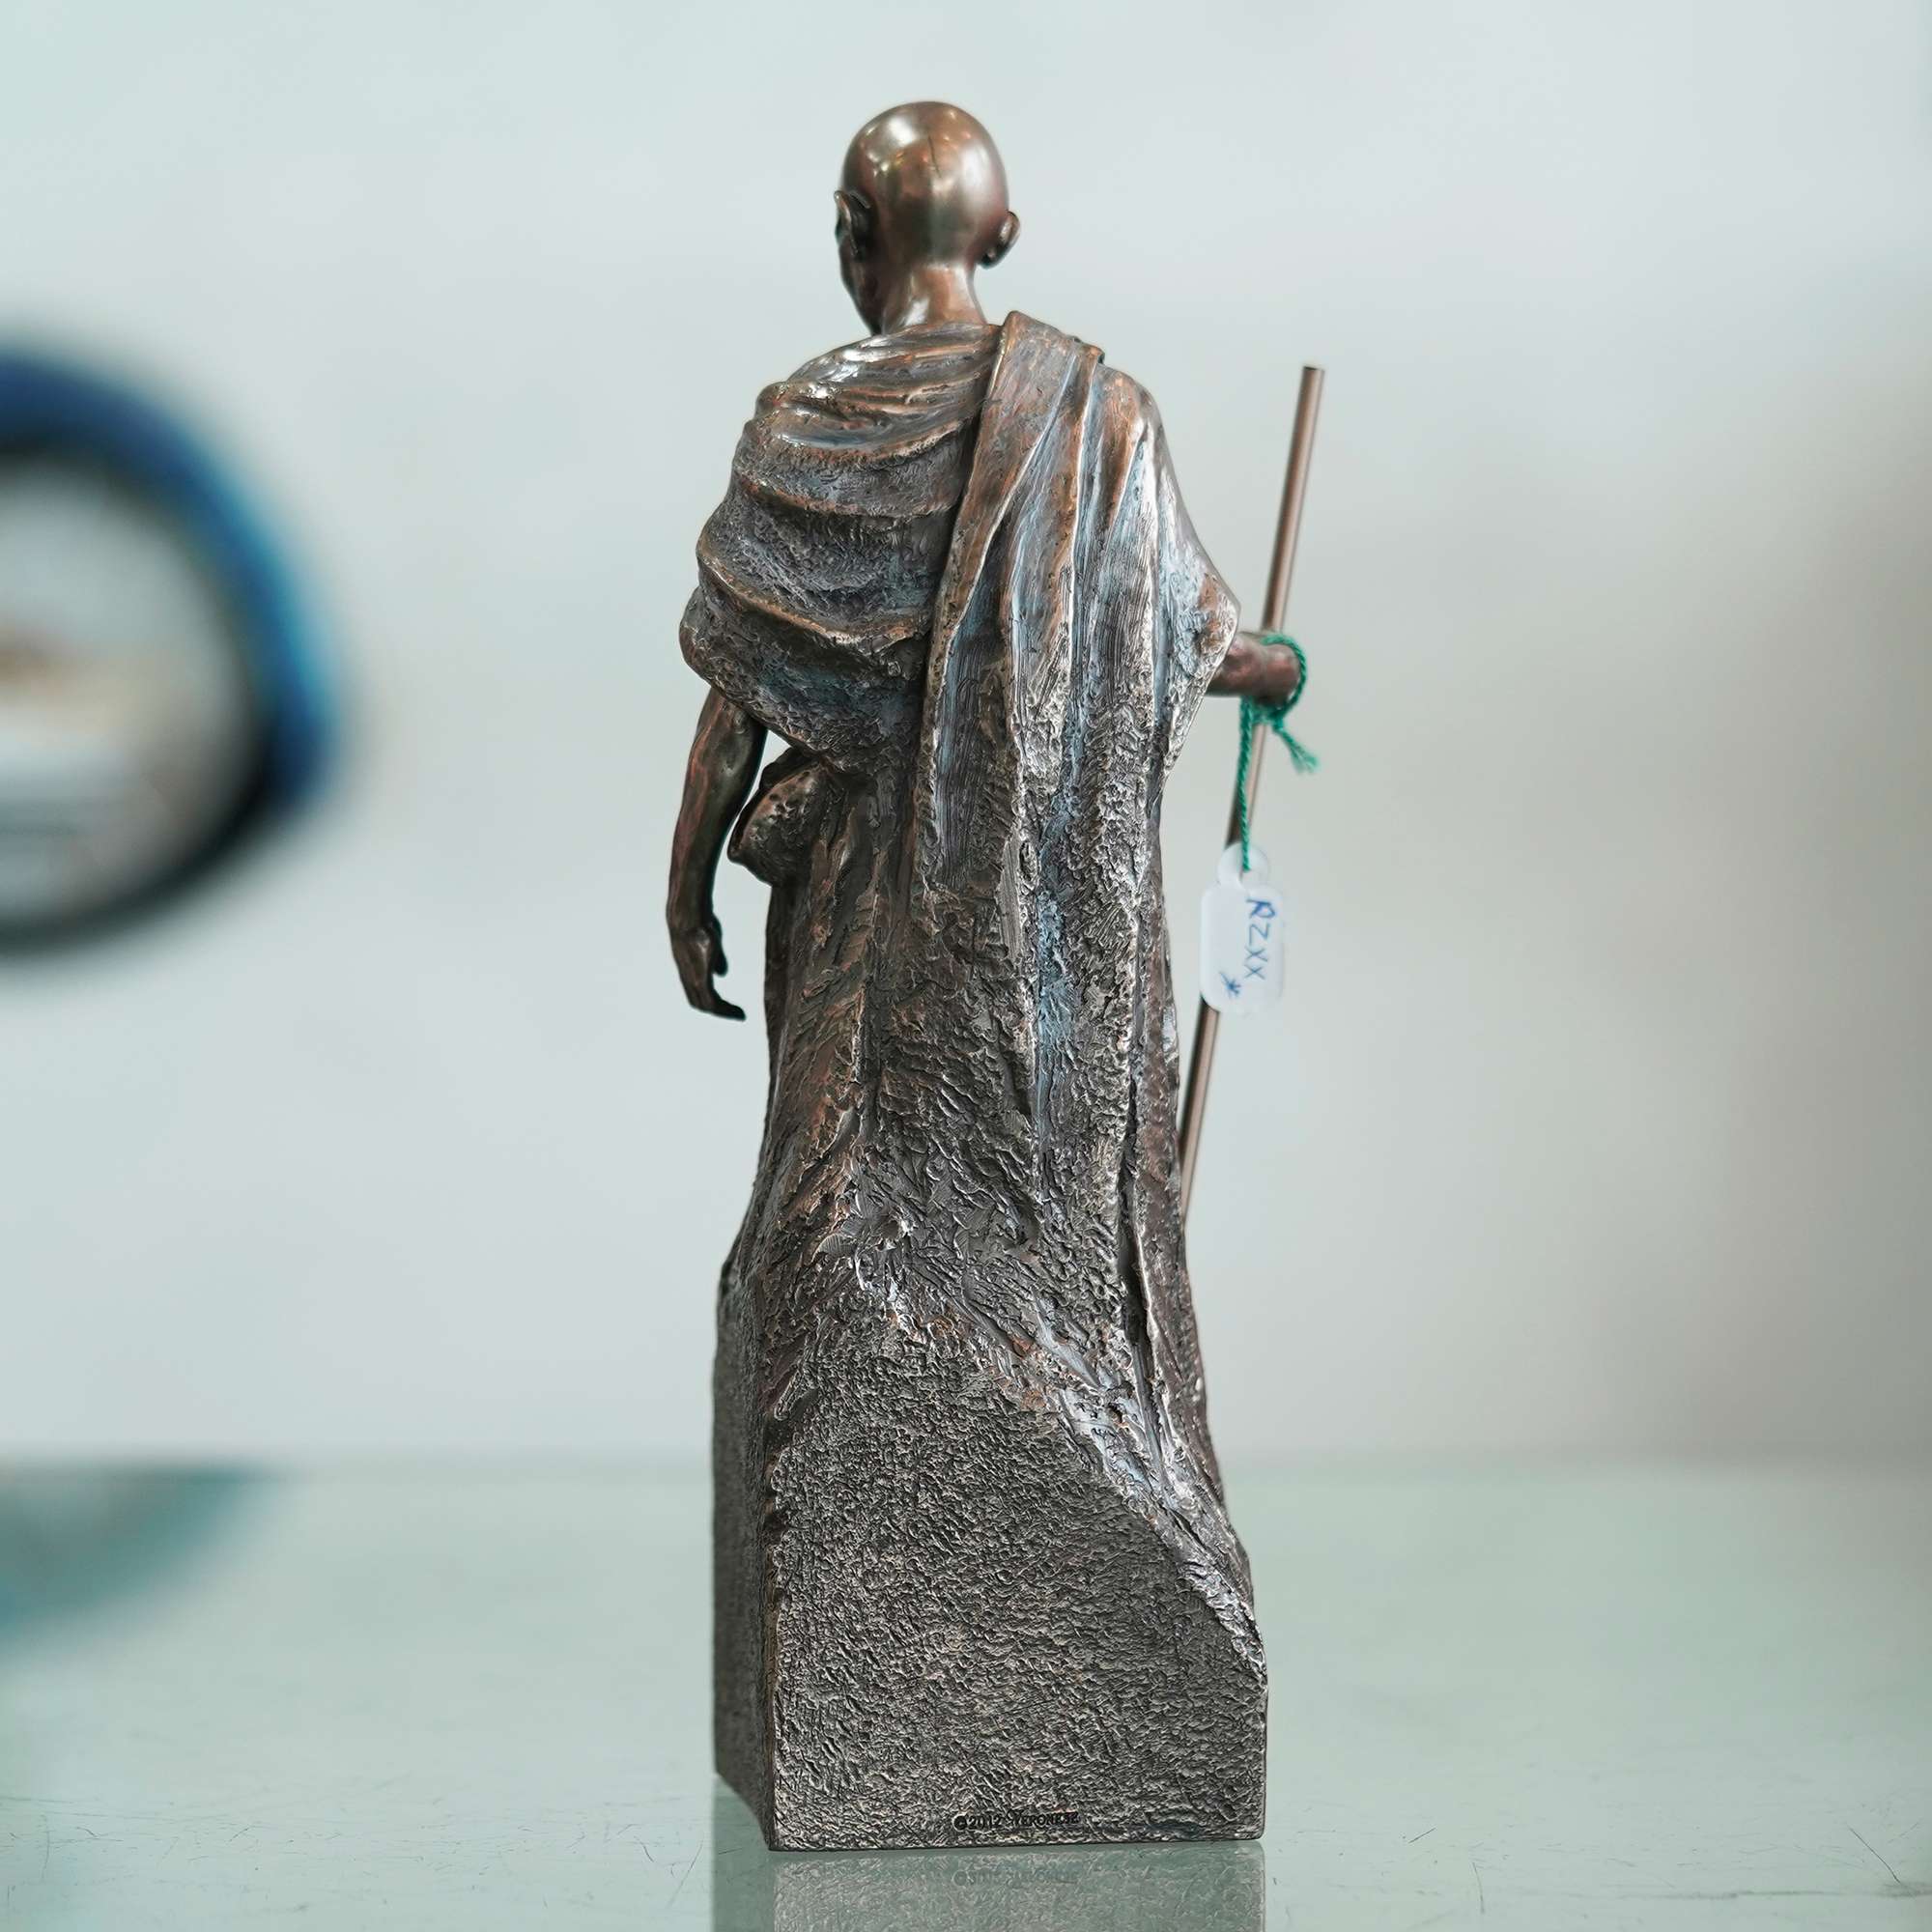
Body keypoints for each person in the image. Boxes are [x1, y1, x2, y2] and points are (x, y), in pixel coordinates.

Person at [668, 102, 1278, 1850]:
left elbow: (737, 704)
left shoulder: (807, 417)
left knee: (832, 1221)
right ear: (1001, 237)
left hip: (863, 916)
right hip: (1033, 953)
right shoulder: (1102, 417)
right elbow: (1200, 632)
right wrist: (1281, 667)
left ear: (850, 237)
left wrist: (685, 880)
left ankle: (1013, 1519)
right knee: (953, 1243)